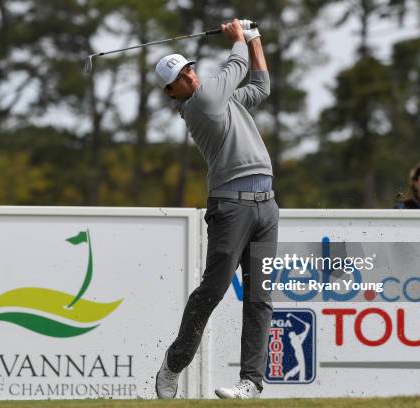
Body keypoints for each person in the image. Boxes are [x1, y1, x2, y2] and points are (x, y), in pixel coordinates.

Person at [154, 19, 278, 400]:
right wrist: (239, 38)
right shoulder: (203, 104)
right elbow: (236, 67)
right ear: (172, 91)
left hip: (266, 207)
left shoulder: (223, 100)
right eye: (180, 76)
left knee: (260, 296)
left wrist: (255, 39)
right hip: (231, 208)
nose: (189, 76)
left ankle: (251, 382)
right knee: (214, 289)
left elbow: (260, 86)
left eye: (189, 68)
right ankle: (176, 361)